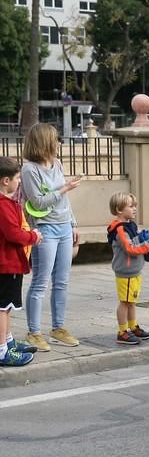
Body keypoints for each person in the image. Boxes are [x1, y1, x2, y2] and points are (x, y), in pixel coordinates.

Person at [20, 123, 81, 351]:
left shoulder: (57, 163)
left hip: (64, 226)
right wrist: (65, 188)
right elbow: (38, 202)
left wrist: (73, 223)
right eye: (55, 139)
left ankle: (58, 328)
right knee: (40, 282)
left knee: (62, 281)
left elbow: (64, 202)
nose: (58, 144)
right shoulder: (29, 170)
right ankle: (33, 332)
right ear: (44, 142)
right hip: (44, 229)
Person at [106, 193, 149, 344]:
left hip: (135, 271)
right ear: (119, 209)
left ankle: (133, 327)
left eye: (135, 206)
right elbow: (130, 249)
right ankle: (122, 331)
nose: (134, 209)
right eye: (131, 206)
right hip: (125, 272)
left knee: (131, 302)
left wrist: (147, 238)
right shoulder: (120, 230)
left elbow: (138, 240)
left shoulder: (131, 225)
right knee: (124, 302)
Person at [0, 157, 42, 367]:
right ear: (5, 180)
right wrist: (33, 236)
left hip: (7, 264)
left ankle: (7, 343)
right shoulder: (3, 205)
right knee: (1, 308)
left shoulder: (7, 204)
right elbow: (13, 234)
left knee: (5, 307)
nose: (19, 182)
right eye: (17, 178)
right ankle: (2, 352)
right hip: (6, 264)